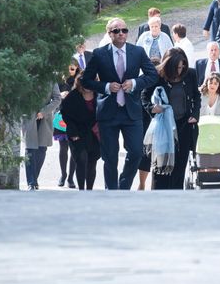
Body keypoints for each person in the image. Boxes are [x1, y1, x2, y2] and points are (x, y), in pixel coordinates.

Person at [81, 18, 158, 190]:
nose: (121, 33)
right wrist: (106, 86)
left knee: (137, 152)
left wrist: (135, 83)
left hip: (132, 111)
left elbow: (152, 75)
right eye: (116, 31)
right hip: (108, 112)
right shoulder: (99, 53)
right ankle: (111, 193)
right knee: (110, 157)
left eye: (124, 30)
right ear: (109, 34)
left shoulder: (137, 52)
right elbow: (85, 80)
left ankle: (123, 188)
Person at [142, 48, 201, 190]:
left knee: (179, 169)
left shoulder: (190, 74)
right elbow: (144, 96)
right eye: (177, 68)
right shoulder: (157, 75)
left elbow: (196, 96)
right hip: (164, 129)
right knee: (161, 168)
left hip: (184, 126)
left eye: (182, 67)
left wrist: (195, 114)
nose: (180, 71)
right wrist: (151, 107)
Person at [60, 72, 100, 190]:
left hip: (94, 134)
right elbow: (65, 114)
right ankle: (81, 190)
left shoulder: (99, 95)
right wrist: (73, 133)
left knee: (92, 163)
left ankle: (89, 190)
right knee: (81, 160)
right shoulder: (73, 96)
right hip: (77, 133)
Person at [21, 82, 61, 190]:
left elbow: (57, 99)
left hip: (45, 118)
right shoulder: (26, 75)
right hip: (29, 117)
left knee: (41, 149)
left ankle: (35, 178)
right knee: (30, 149)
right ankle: (31, 182)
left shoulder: (51, 79)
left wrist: (44, 111)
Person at [137, 56, 161, 191]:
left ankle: (154, 184)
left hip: (159, 120)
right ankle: (142, 184)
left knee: (157, 155)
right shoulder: (142, 80)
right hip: (144, 121)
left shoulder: (163, 80)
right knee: (146, 155)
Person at [55, 64, 79, 188]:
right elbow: (53, 97)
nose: (70, 71)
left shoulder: (78, 81)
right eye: (69, 68)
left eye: (73, 69)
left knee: (74, 148)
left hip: (75, 119)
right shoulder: (59, 81)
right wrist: (60, 95)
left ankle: (71, 177)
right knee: (63, 148)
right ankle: (63, 175)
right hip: (61, 119)